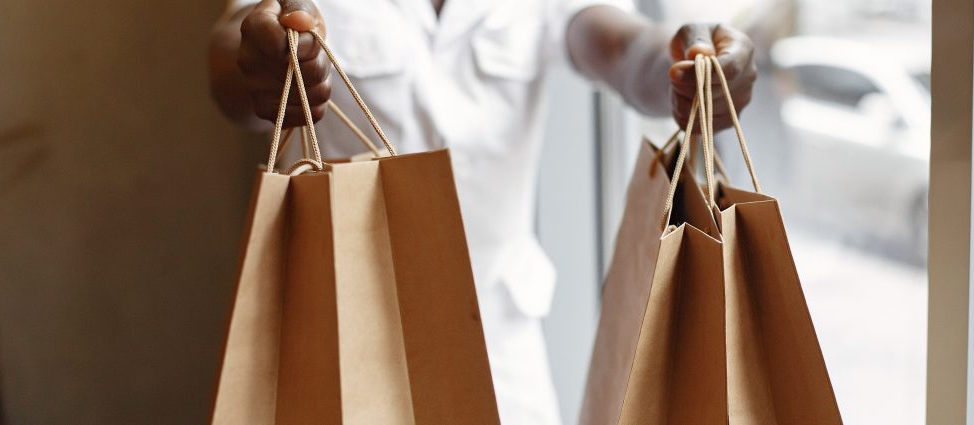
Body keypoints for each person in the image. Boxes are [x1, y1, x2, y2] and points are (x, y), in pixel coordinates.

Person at [209, 0, 756, 423]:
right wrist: (258, 61)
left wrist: (687, 64)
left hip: (502, 347)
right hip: (338, 342)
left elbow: (619, 47)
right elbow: (233, 56)